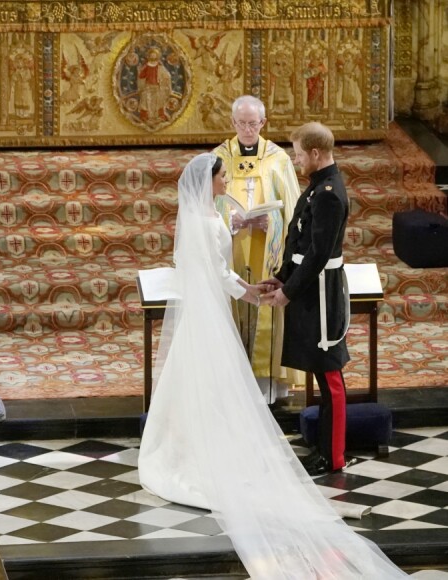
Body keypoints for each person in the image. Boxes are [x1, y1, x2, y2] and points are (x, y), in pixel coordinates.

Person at [138, 152, 427, 579]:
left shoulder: (200, 217)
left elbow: (200, 265)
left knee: (197, 379)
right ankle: (198, 451)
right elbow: (216, 271)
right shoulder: (205, 220)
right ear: (209, 180)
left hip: (207, 309)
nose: (225, 181)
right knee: (210, 379)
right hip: (214, 307)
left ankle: (188, 444)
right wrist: (252, 293)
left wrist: (247, 282)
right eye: (221, 177)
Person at [260, 122, 350, 477]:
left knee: (330, 376)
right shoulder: (317, 187)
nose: (297, 161)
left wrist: (288, 291)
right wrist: (281, 277)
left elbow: (318, 254)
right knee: (319, 370)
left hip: (321, 293)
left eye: (298, 154)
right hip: (308, 287)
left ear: (315, 153)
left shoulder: (328, 192)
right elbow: (298, 243)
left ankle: (335, 455)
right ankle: (325, 449)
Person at [214, 95, 304, 403]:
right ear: (233, 123)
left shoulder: (277, 158)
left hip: (269, 251)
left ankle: (267, 386)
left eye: (254, 123)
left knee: (266, 309)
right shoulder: (219, 157)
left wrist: (274, 223)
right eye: (242, 123)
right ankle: (231, 384)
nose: (248, 129)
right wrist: (232, 220)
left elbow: (292, 209)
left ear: (263, 123)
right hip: (233, 249)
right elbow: (209, 205)